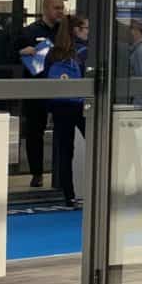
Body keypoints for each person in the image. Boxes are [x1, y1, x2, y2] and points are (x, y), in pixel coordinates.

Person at [18, 0, 67, 188]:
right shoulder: (29, 32)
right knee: (34, 131)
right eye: (56, 8)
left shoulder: (65, 32)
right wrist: (22, 52)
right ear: (46, 9)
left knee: (63, 131)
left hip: (60, 88)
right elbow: (14, 55)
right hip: (36, 87)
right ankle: (36, 173)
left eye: (62, 8)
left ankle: (62, 173)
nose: (60, 12)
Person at [45, 17, 85, 207]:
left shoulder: (52, 53)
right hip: (81, 106)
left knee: (65, 151)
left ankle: (68, 195)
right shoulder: (83, 52)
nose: (88, 31)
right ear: (76, 30)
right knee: (100, 146)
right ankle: (100, 187)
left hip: (60, 107)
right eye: (85, 28)